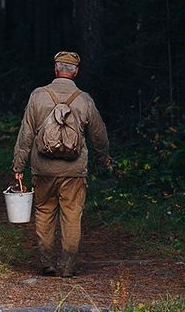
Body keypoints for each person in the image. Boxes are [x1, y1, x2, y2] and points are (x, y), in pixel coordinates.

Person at [12, 51, 111, 277]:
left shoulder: (38, 96)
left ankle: (47, 262)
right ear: (75, 72)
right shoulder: (84, 99)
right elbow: (98, 134)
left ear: (56, 69)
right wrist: (103, 158)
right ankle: (67, 267)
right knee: (72, 216)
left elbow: (26, 133)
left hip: (43, 169)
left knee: (44, 213)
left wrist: (19, 166)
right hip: (74, 172)